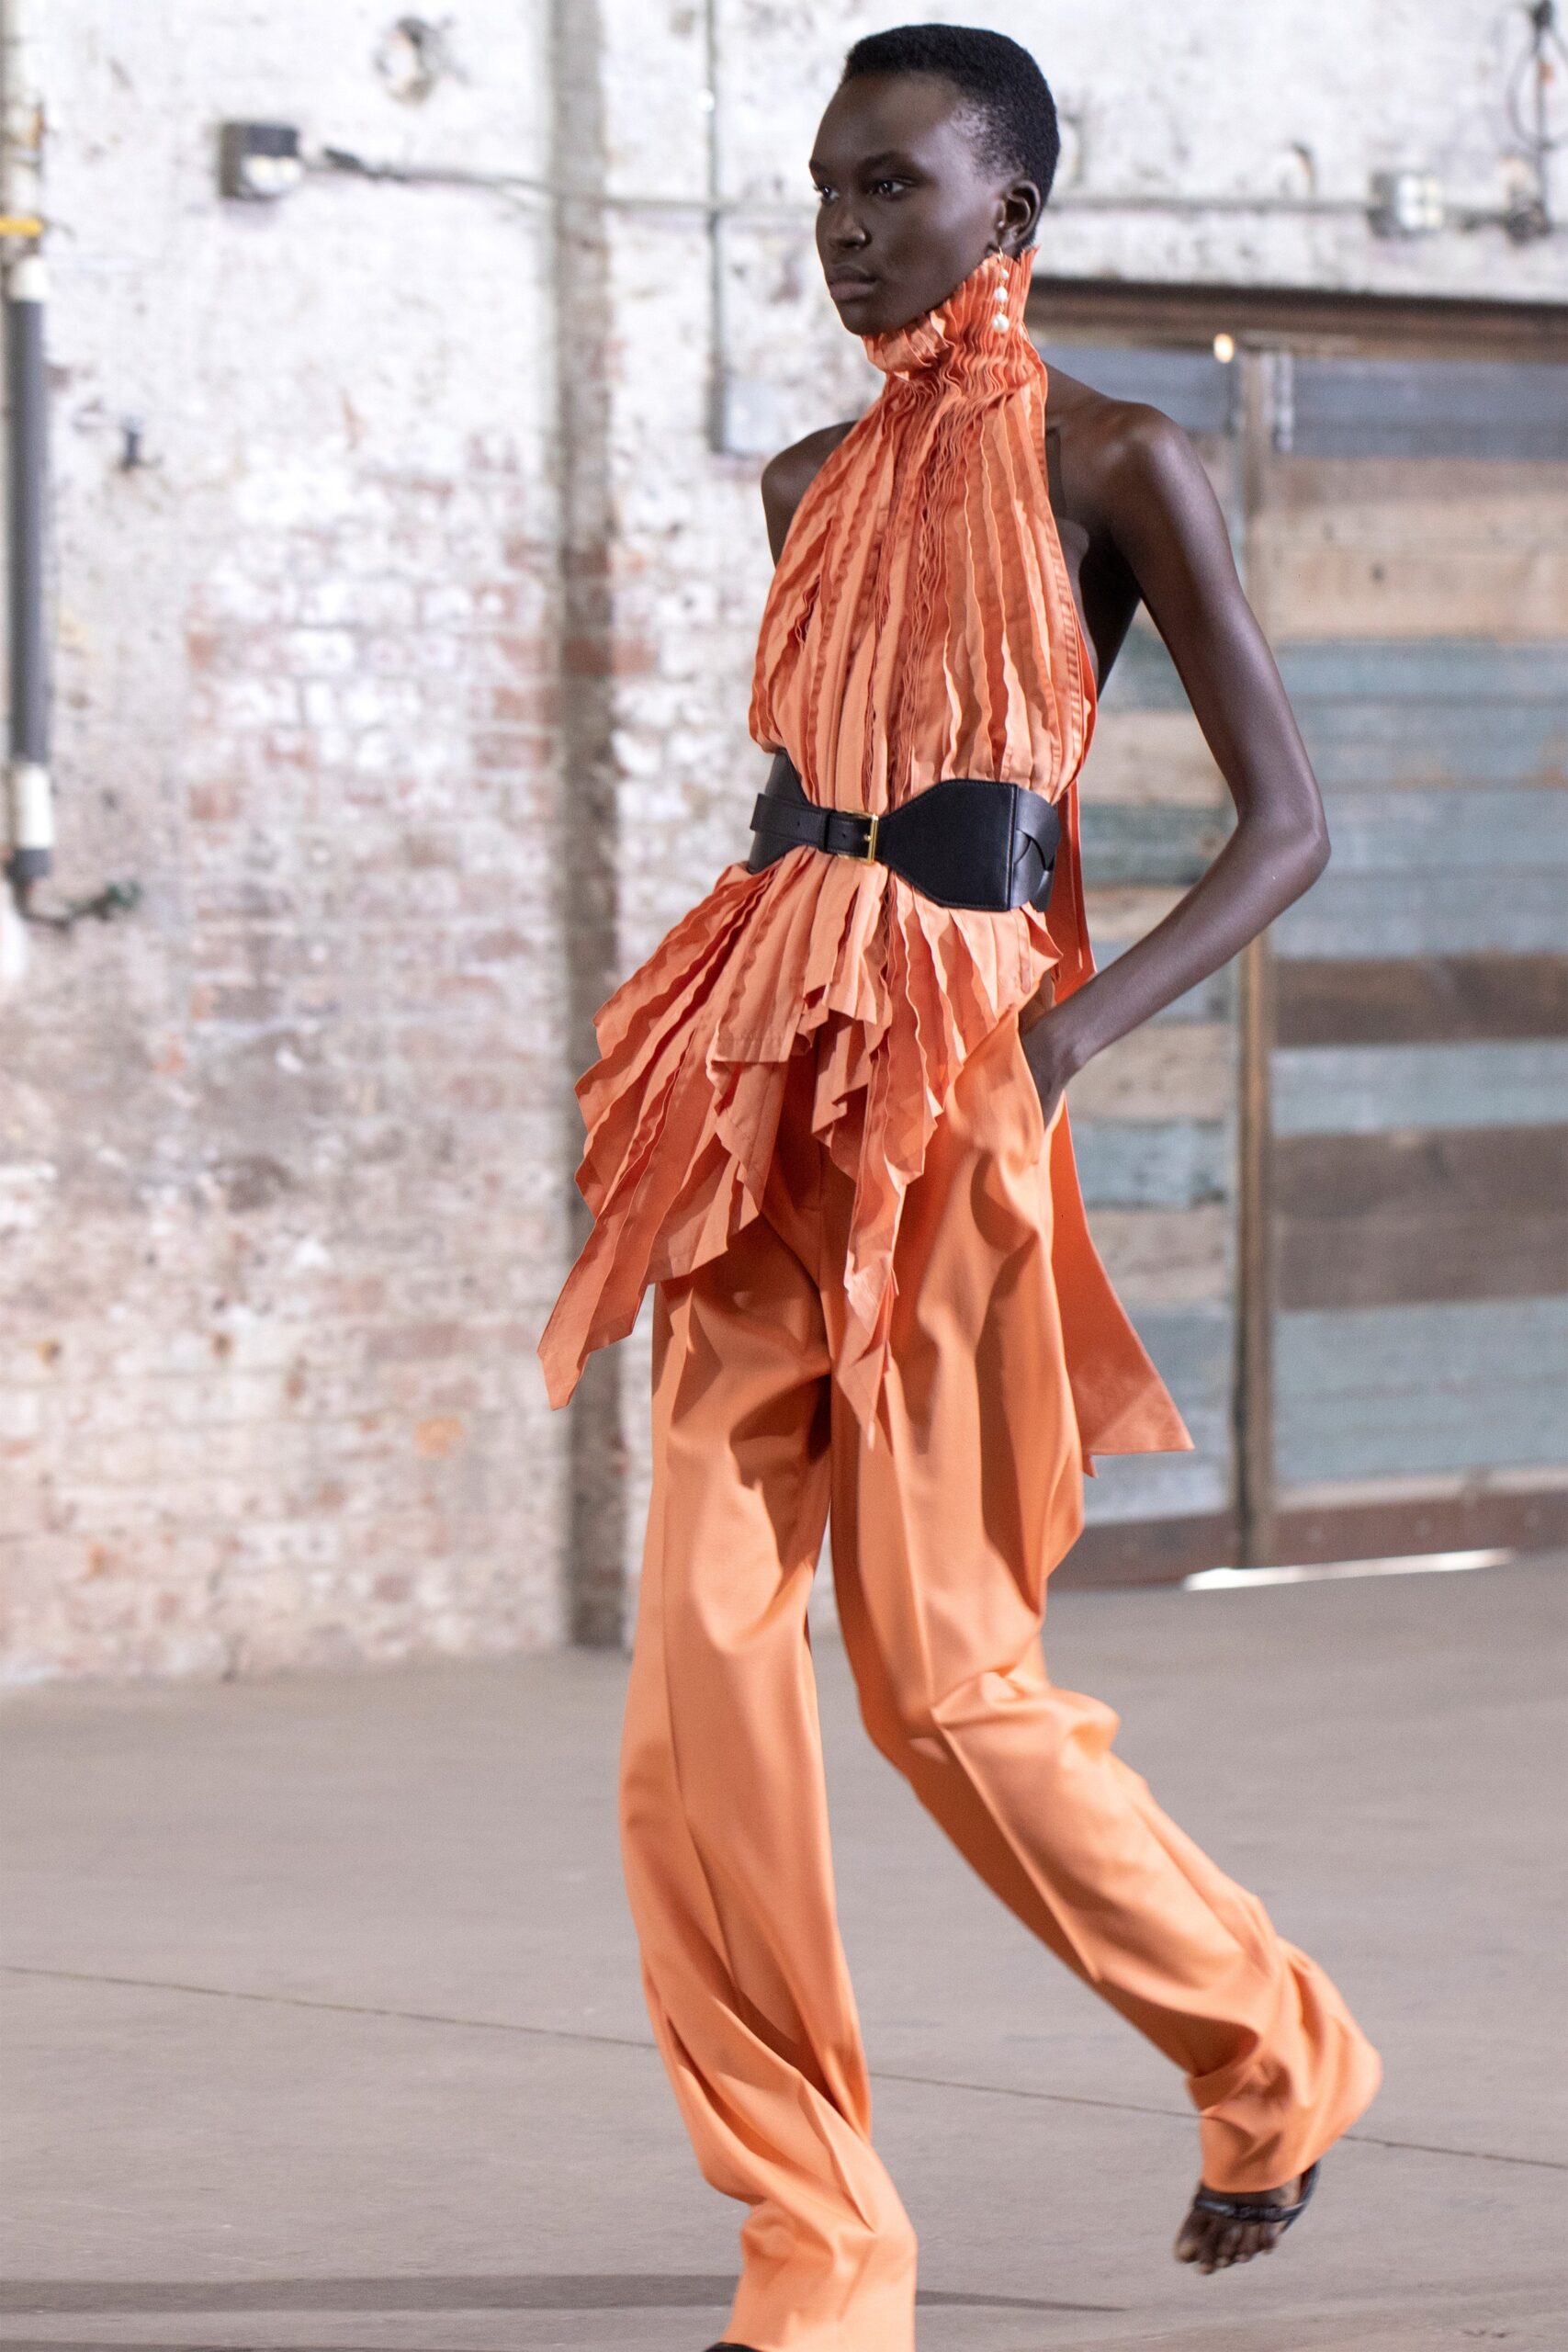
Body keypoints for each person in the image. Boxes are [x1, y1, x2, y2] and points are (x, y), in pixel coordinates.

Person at [537, 23, 1382, 2349]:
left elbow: (1287, 824)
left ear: (1002, 207)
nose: (841, 226)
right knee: (696, 1677)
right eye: (820, 188)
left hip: (950, 1103)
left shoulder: (1121, 457)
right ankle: (817, 2235)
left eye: (886, 186)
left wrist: (1050, 1043)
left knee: (936, 1677)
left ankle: (1266, 2046)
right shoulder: (805, 478)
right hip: (748, 1083)